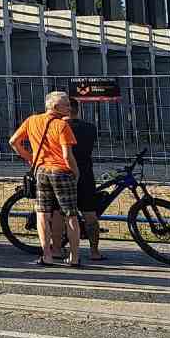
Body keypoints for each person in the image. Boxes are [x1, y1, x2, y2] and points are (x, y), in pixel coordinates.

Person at [9, 92, 82, 268]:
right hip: (61, 171)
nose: (69, 108)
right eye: (66, 105)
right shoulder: (62, 126)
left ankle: (47, 255)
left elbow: (13, 141)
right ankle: (74, 257)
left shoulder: (32, 120)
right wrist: (75, 171)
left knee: (42, 213)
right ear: (55, 107)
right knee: (70, 214)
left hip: (41, 170)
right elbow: (67, 154)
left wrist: (30, 157)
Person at [66, 97, 104, 261]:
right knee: (90, 215)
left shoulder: (60, 127)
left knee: (62, 213)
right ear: (78, 109)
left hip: (65, 173)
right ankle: (94, 251)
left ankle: (58, 249)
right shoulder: (90, 128)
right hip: (86, 173)